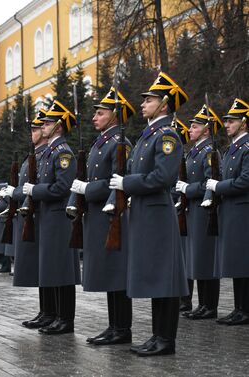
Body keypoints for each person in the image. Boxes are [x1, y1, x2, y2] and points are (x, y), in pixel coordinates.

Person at [109, 72, 189, 356]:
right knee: (156, 278)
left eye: (150, 99)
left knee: (164, 279)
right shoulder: (148, 135)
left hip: (157, 214)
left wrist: (126, 184)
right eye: (144, 100)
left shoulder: (167, 136)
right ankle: (157, 336)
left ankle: (166, 340)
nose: (143, 104)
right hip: (144, 214)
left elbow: (162, 178)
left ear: (164, 104)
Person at [68, 88, 135, 345]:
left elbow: (115, 181)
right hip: (97, 215)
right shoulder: (101, 142)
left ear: (114, 116)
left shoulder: (120, 144)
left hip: (112, 214)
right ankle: (113, 325)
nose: (95, 117)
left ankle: (123, 328)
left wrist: (89, 189)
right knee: (108, 272)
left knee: (117, 272)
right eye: (95, 113)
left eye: (100, 113)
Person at [22, 99, 81, 335]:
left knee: (62, 270)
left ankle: (65, 319)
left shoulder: (63, 152)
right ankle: (54, 314)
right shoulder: (51, 152)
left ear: (58, 126)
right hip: (48, 216)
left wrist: (35, 191)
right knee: (52, 267)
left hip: (58, 217)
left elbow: (61, 188)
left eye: (47, 123)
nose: (42, 126)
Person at [1, 108, 52, 328]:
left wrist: (16, 193)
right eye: (32, 128)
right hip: (32, 213)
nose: (33, 132)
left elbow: (33, 186)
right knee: (41, 267)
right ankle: (45, 311)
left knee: (47, 267)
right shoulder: (35, 154)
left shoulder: (43, 155)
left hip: (39, 213)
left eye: (37, 128)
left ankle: (50, 312)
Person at [204, 98, 249, 325]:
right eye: (227, 121)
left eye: (231, 121)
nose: (227, 125)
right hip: (231, 211)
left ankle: (245, 309)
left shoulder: (247, 147)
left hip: (242, 212)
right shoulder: (233, 148)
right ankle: (239, 307)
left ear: (244, 123)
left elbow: (245, 181)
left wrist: (218, 187)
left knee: (244, 262)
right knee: (236, 262)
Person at [175, 106, 221, 320]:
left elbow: (208, 183)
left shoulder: (209, 152)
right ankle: (202, 304)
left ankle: (209, 305)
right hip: (193, 210)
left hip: (204, 209)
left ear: (206, 130)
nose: (190, 130)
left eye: (195, 127)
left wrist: (188, 189)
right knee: (197, 258)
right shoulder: (194, 152)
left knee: (205, 257)